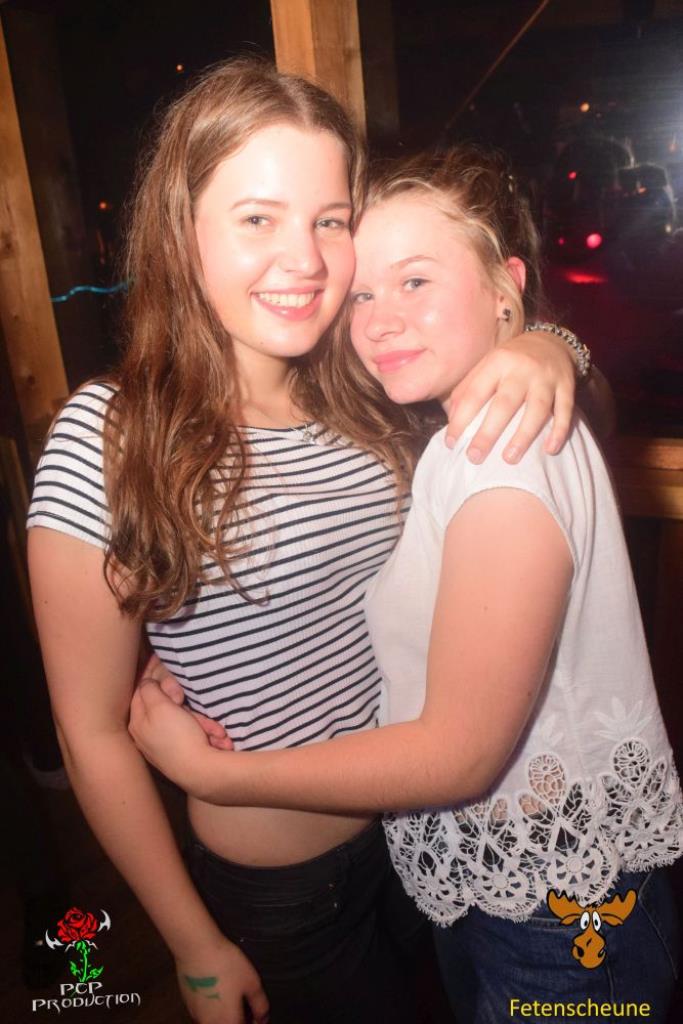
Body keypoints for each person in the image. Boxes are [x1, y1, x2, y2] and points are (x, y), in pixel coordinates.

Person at [28, 58, 585, 1024]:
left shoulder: (368, 390)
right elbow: (90, 730)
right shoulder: (112, 434)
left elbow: (554, 401)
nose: (307, 259)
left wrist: (548, 345)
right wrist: (194, 947)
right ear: (181, 230)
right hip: (284, 893)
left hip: (426, 842)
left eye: (330, 220)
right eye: (258, 218)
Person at [129, 143, 683, 1024]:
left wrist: (212, 775)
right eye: (360, 294)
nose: (379, 321)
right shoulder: (451, 427)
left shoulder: (502, 454)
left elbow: (459, 754)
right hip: (504, 891)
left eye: (415, 281)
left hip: (562, 926)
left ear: (504, 287)